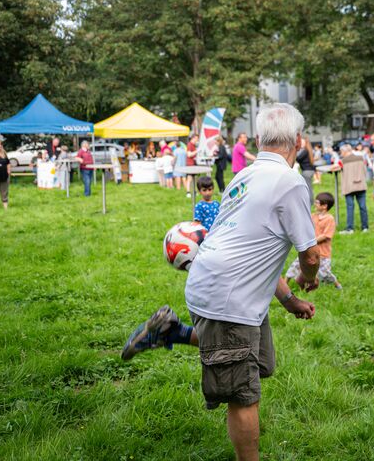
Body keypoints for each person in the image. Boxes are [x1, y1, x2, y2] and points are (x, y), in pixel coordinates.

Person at [121, 103, 320, 461]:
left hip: (224, 287)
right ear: (298, 141)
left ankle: (171, 331)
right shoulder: (290, 182)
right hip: (229, 296)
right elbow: (310, 256)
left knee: (256, 362)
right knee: (243, 394)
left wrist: (289, 302)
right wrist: (308, 280)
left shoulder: (243, 176)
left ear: (259, 140)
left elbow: (257, 251)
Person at [286, 192, 342, 289]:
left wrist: (311, 241)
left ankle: (337, 285)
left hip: (323, 253)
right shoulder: (313, 216)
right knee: (295, 265)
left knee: (325, 273)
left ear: (324, 206)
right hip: (308, 251)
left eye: (317, 202)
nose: (315, 204)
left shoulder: (330, 219)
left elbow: (326, 236)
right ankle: (285, 283)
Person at [338, 144, 369, 234]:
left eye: (341, 152)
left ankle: (350, 228)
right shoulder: (361, 158)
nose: (341, 154)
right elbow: (365, 170)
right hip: (360, 185)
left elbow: (336, 168)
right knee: (363, 207)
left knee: (350, 207)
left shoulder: (342, 161)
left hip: (349, 187)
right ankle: (365, 227)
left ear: (344, 151)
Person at [296, 136, 316, 205]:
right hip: (310, 171)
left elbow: (298, 158)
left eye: (302, 142)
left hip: (306, 172)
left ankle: (310, 202)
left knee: (308, 188)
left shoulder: (305, 151)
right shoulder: (309, 150)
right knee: (309, 187)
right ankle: (311, 201)